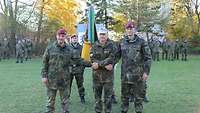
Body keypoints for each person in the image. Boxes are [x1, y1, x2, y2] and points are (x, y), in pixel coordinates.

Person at [116, 21, 152, 113]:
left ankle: (138, 111)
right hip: (125, 75)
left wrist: (146, 72)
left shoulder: (142, 42)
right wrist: (110, 64)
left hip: (138, 76)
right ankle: (124, 110)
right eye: (128, 29)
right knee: (124, 97)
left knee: (138, 98)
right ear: (125, 30)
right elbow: (116, 56)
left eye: (131, 28)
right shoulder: (122, 42)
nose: (129, 30)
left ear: (134, 30)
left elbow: (148, 58)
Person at [41, 28, 72, 113]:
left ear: (65, 37)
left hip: (64, 79)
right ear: (56, 36)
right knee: (50, 100)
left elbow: (77, 60)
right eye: (59, 35)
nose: (61, 38)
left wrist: (92, 63)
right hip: (52, 79)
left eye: (63, 36)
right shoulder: (50, 48)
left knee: (65, 101)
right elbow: (44, 63)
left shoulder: (69, 49)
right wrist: (44, 76)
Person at [90, 28, 115, 113]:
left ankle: (107, 111)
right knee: (97, 97)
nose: (102, 36)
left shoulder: (112, 45)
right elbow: (92, 58)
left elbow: (112, 57)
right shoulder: (94, 45)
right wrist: (104, 65)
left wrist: (99, 64)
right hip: (96, 76)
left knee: (108, 97)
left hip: (108, 77)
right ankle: (98, 111)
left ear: (107, 35)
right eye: (101, 34)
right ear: (98, 35)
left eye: (104, 34)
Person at [69, 34, 91, 104]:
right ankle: (66, 98)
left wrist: (83, 65)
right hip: (70, 69)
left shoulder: (82, 48)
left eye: (75, 38)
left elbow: (84, 58)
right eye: (73, 38)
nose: (74, 39)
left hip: (79, 69)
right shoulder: (67, 48)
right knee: (68, 85)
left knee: (80, 84)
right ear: (71, 39)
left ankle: (82, 97)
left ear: (77, 39)